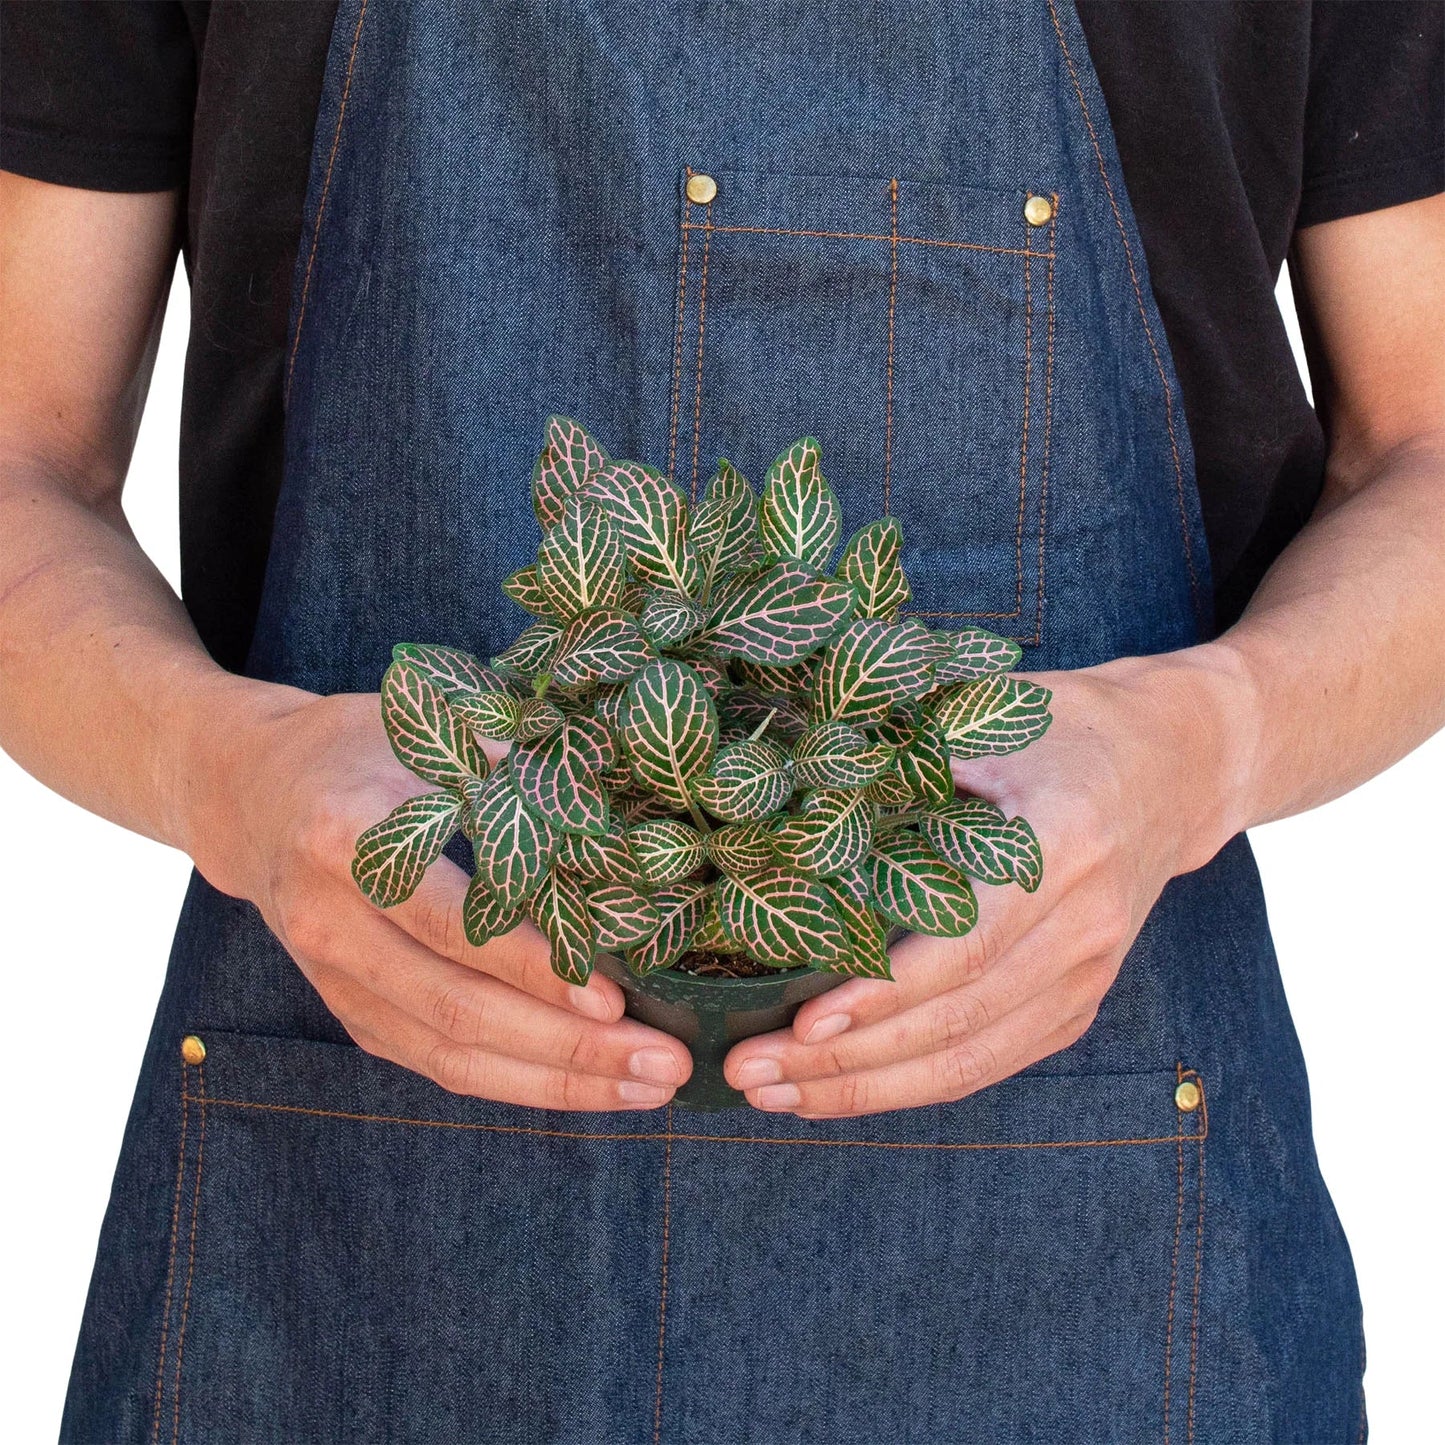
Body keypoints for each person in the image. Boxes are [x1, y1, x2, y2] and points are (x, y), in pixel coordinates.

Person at [2, 1, 1441, 1440]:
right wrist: (225, 776)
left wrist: (1204, 739)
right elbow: (25, 452)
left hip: (1095, 1245)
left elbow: (1423, 449)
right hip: (346, 1248)